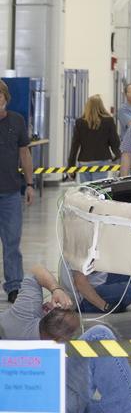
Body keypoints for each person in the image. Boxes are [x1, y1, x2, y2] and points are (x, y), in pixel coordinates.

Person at [0, 263, 131, 413]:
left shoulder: (27, 311)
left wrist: (56, 289)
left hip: (53, 393)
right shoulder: (21, 319)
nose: (60, 307)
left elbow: (36, 270)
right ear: (60, 340)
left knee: (99, 336)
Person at [0, 78, 34, 302]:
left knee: (12, 242)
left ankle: (14, 286)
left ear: (5, 98)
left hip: (11, 192)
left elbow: (25, 155)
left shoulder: (17, 121)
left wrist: (29, 184)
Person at [67, 95, 121, 170]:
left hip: (84, 161)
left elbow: (74, 145)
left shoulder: (79, 122)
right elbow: (115, 142)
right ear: (101, 106)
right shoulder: (109, 121)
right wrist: (117, 155)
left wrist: (71, 165)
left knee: (85, 182)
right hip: (102, 160)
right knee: (99, 182)